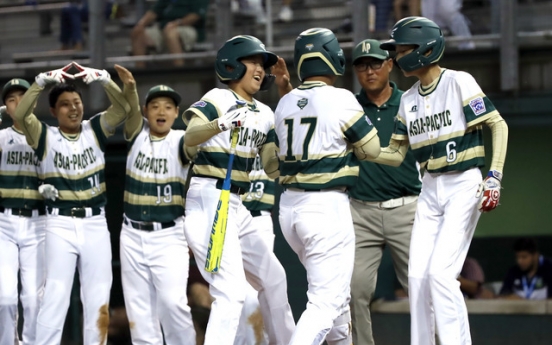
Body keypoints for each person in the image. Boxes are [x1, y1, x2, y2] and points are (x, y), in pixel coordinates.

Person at [377, 16, 509, 345]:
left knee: (440, 275)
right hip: (430, 188)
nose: (395, 56)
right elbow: (394, 154)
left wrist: (494, 177)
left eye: (401, 48)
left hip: (464, 183)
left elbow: (498, 125)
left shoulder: (458, 82)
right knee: (418, 278)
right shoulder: (407, 100)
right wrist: (360, 150)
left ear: (424, 49)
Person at [182, 35, 294, 345]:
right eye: (253, 61)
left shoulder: (266, 114)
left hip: (236, 205)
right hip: (208, 200)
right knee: (230, 292)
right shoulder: (217, 97)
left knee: (274, 279)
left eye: (263, 64)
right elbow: (190, 135)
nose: (260, 69)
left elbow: (273, 167)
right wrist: (220, 124)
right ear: (232, 64)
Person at [274, 27, 381, 345]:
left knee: (337, 304)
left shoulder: (284, 102)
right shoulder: (341, 98)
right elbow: (372, 149)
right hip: (325, 208)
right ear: (333, 58)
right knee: (324, 304)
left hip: (290, 210)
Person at [13, 62, 131, 345]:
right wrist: (40, 83)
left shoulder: (96, 129)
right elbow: (21, 113)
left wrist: (105, 81)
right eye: (65, 104)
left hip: (95, 222)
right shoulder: (45, 135)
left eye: (77, 102)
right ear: (53, 111)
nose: (73, 108)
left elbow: (124, 110)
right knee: (55, 296)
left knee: (98, 298)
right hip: (59, 223)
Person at [347, 39, 421, 345]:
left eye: (376, 63)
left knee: (423, 289)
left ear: (390, 65)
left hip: (406, 208)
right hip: (360, 211)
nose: (369, 70)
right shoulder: (348, 106)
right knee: (353, 290)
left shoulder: (409, 102)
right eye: (362, 65)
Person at [117, 65, 196, 343]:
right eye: (154, 106)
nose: (161, 112)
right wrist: (129, 88)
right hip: (132, 233)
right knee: (139, 311)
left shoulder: (181, 140)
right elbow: (128, 112)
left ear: (176, 113)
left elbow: (194, 143)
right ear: (144, 111)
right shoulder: (136, 134)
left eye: (168, 107)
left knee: (173, 304)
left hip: (169, 234)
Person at [0, 79, 45, 345]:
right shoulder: (3, 136)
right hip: (4, 221)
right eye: (11, 100)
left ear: (33, 101)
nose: (17, 104)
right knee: (5, 297)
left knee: (32, 298)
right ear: (5, 107)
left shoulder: (45, 134)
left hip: (38, 223)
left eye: (22, 97)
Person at [234, 154, 277, 345]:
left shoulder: (271, 125)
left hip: (259, 217)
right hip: (227, 216)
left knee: (254, 296)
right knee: (231, 297)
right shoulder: (224, 125)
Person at [131, 0, 210, 68]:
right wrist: (141, 24)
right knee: (137, 32)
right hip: (163, 27)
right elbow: (154, 12)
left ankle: (179, 69)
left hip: (188, 27)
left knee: (171, 33)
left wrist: (177, 23)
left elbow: (196, 15)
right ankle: (139, 74)